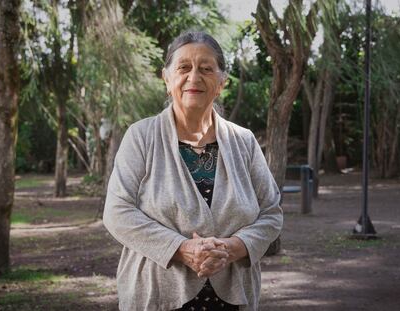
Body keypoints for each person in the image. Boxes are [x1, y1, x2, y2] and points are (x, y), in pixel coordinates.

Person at [103, 31, 283, 311]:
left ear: (221, 82)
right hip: (157, 296)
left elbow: (271, 212)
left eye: (206, 69)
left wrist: (231, 248)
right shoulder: (140, 137)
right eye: (184, 67)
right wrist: (181, 248)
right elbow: (117, 212)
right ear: (167, 79)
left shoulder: (244, 141)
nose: (194, 77)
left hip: (233, 299)